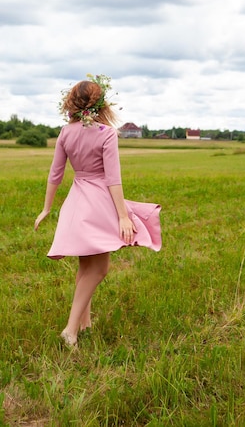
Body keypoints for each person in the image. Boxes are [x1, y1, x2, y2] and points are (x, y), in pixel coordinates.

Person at [34, 74, 161, 348]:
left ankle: (85, 323)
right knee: (100, 268)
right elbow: (113, 178)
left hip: (76, 201)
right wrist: (123, 216)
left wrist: (47, 208)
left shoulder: (66, 132)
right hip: (98, 202)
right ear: (100, 104)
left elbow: (55, 174)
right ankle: (70, 330)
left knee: (85, 265)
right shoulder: (106, 134)